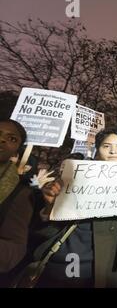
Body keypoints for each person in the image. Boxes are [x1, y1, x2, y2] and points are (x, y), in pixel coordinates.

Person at [19, 127, 117, 288]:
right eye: (106, 146)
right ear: (97, 149)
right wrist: (49, 207)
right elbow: (44, 229)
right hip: (68, 263)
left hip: (109, 265)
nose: (113, 152)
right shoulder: (73, 175)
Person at [0, 119, 34, 279]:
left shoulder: (20, 194)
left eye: (12, 138)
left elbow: (14, 251)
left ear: (16, 152)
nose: (2, 139)